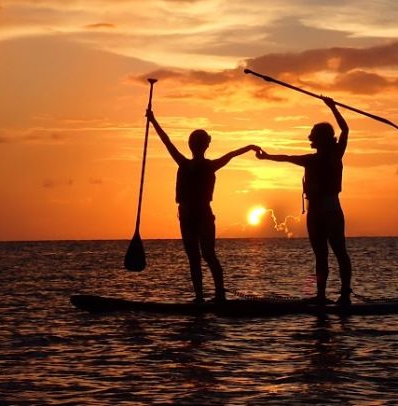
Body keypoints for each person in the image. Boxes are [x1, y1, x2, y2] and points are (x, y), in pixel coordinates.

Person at [147, 108, 259, 303]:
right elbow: (167, 141)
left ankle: (216, 296)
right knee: (199, 256)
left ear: (199, 145)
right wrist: (153, 120)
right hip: (188, 215)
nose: (197, 146)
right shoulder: (187, 163)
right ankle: (205, 297)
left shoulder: (201, 165)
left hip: (201, 215)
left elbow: (231, 154)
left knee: (205, 255)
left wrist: (249, 147)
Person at [256, 96, 353, 306]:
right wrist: (267, 157)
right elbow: (286, 157)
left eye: (313, 135)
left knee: (338, 251)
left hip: (329, 208)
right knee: (321, 255)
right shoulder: (310, 159)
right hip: (315, 212)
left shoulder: (335, 154)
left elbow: (345, 130)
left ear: (322, 138)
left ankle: (344, 293)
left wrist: (333, 107)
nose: (309, 137)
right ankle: (321, 295)